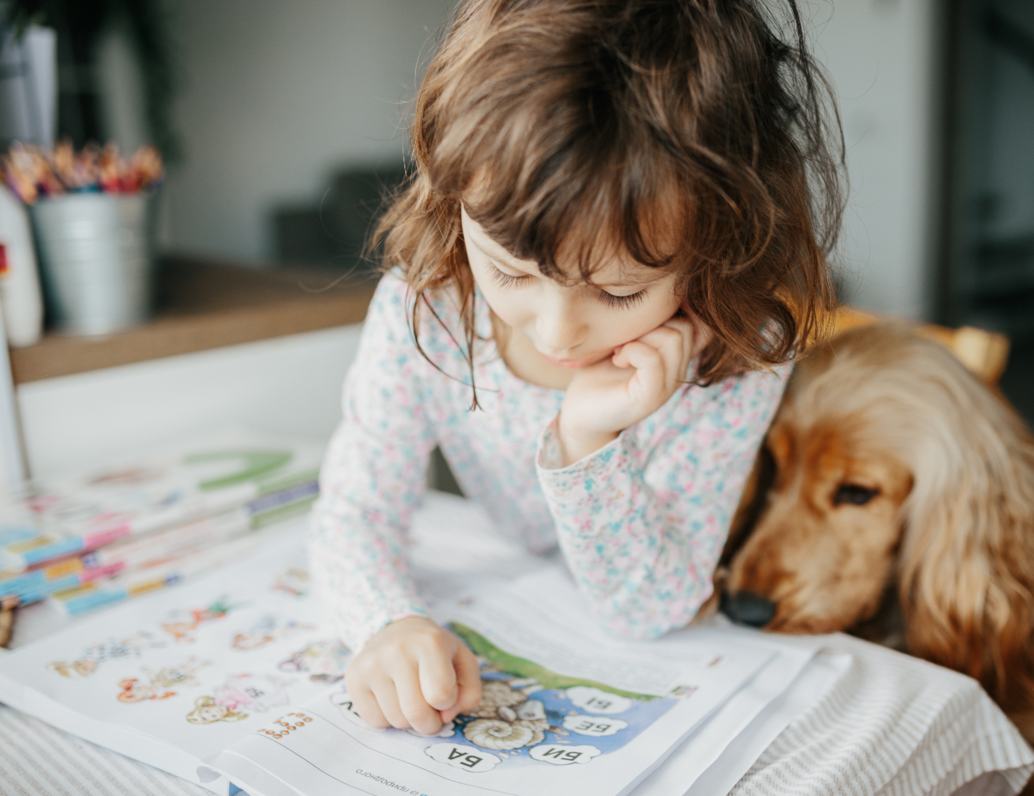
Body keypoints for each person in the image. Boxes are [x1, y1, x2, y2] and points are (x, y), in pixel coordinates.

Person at [311, 0, 845, 735]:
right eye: (510, 270)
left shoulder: (733, 359)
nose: (557, 331)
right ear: (451, 198)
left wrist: (587, 442)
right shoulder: (428, 307)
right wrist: (386, 622)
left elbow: (649, 611)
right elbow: (355, 508)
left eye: (619, 292)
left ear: (715, 251)